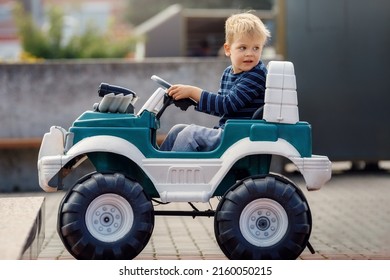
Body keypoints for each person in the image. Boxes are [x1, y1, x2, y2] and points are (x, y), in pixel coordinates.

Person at [159, 12, 270, 152]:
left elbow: (227, 105)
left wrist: (193, 91)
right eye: (243, 47)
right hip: (229, 132)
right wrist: (192, 98)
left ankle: (174, 172)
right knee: (177, 130)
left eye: (256, 48)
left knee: (189, 135)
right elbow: (220, 108)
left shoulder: (257, 74)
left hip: (241, 136)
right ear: (228, 49)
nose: (250, 53)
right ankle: (154, 171)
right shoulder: (228, 73)